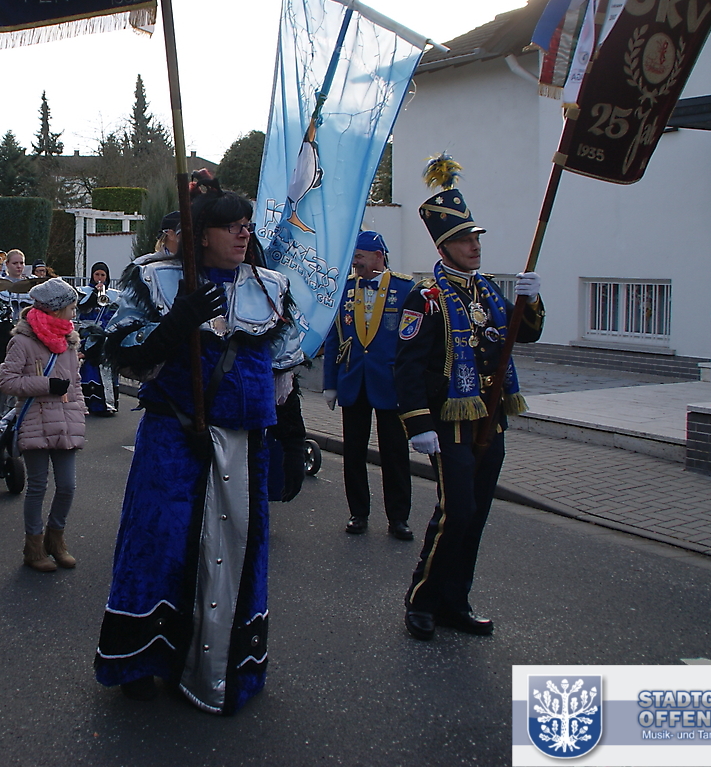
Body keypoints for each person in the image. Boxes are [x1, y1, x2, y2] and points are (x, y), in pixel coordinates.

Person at [94, 186, 305, 715]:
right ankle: (141, 660)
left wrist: (284, 435)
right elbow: (121, 351)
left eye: (247, 225)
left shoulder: (271, 287)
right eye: (231, 225)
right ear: (201, 235)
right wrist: (174, 326)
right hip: (174, 440)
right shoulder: (155, 278)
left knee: (239, 549)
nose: (243, 234)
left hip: (246, 444)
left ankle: (226, 662)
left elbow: (283, 366)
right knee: (160, 542)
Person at [396, 162, 543, 641]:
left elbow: (525, 335)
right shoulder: (427, 297)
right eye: (464, 239)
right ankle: (422, 599)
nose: (475, 246)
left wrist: (531, 301)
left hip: (489, 420)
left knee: (475, 515)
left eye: (476, 237)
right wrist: (418, 424)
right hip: (448, 424)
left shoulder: (489, 291)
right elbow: (408, 366)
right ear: (443, 248)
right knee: (455, 511)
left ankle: (455, 601)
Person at [321, 230, 415, 538]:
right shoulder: (346, 288)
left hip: (391, 384)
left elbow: (413, 343)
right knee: (354, 453)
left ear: (378, 256)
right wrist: (330, 383)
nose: (355, 262)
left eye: (359, 257)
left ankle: (398, 518)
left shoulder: (406, 288)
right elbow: (334, 338)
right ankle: (358, 513)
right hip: (353, 380)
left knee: (395, 455)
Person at [0, 277, 86, 573]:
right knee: (37, 486)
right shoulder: (22, 341)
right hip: (35, 418)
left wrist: (80, 410)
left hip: (66, 419)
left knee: (68, 486)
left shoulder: (69, 340)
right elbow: (7, 382)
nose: (74, 313)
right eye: (71, 307)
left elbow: (76, 382)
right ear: (55, 309)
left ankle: (56, 540)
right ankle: (33, 547)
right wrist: (47, 384)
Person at [76, 262, 119, 416]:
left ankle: (107, 404)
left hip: (106, 337)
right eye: (97, 274)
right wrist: (95, 293)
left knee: (106, 368)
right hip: (88, 336)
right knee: (89, 369)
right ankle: (89, 403)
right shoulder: (83, 291)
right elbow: (82, 308)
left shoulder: (114, 295)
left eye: (102, 275)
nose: (99, 278)